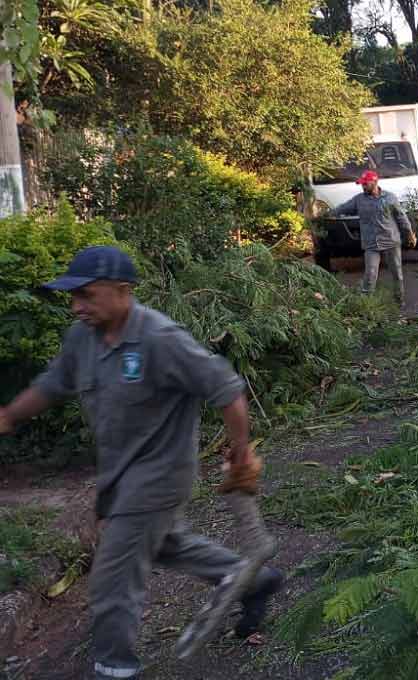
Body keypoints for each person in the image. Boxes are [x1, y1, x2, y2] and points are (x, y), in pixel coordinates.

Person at [0, 246, 283, 680]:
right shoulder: (83, 338)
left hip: (162, 472)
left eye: (87, 296)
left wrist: (241, 451)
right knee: (163, 542)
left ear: (122, 291)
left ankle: (116, 667)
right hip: (118, 470)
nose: (77, 306)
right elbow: (54, 383)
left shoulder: (159, 339)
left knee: (112, 576)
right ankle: (252, 580)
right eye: (72, 297)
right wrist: (9, 415)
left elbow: (226, 388)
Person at [330, 169, 415, 305]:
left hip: (391, 241)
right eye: (362, 184)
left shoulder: (390, 198)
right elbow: (343, 208)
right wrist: (327, 214)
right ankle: (367, 304)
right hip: (371, 243)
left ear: (375, 182)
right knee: (370, 274)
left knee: (397, 273)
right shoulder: (359, 200)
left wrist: (410, 233)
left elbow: (401, 216)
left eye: (365, 183)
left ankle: (399, 300)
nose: (363, 186)